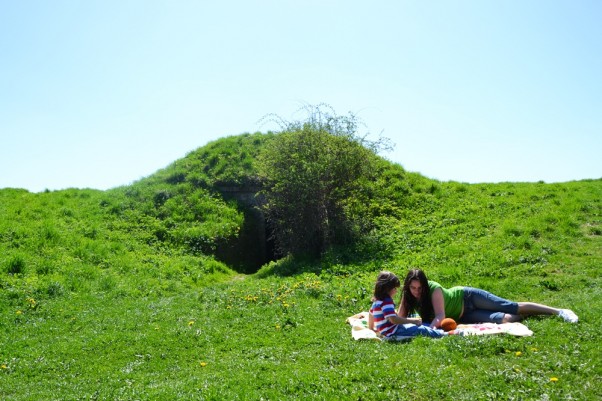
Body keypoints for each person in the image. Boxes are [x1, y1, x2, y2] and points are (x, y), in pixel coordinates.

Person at [397, 268, 579, 328]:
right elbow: (399, 318)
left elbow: (440, 316)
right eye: (413, 288)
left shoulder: (433, 289)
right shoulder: (407, 295)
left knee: (510, 306)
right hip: (463, 317)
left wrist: (427, 328)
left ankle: (559, 311)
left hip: (468, 297)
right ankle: (530, 315)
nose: (416, 292)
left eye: (420, 288)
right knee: (506, 319)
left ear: (425, 285)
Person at [368, 271, 446, 338]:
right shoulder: (386, 301)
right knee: (420, 330)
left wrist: (371, 328)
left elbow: (371, 313)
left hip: (388, 331)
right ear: (387, 289)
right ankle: (445, 333)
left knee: (422, 324)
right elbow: (394, 320)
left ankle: (435, 329)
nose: (396, 291)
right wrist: (412, 321)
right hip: (393, 331)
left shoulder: (377, 300)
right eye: (394, 288)